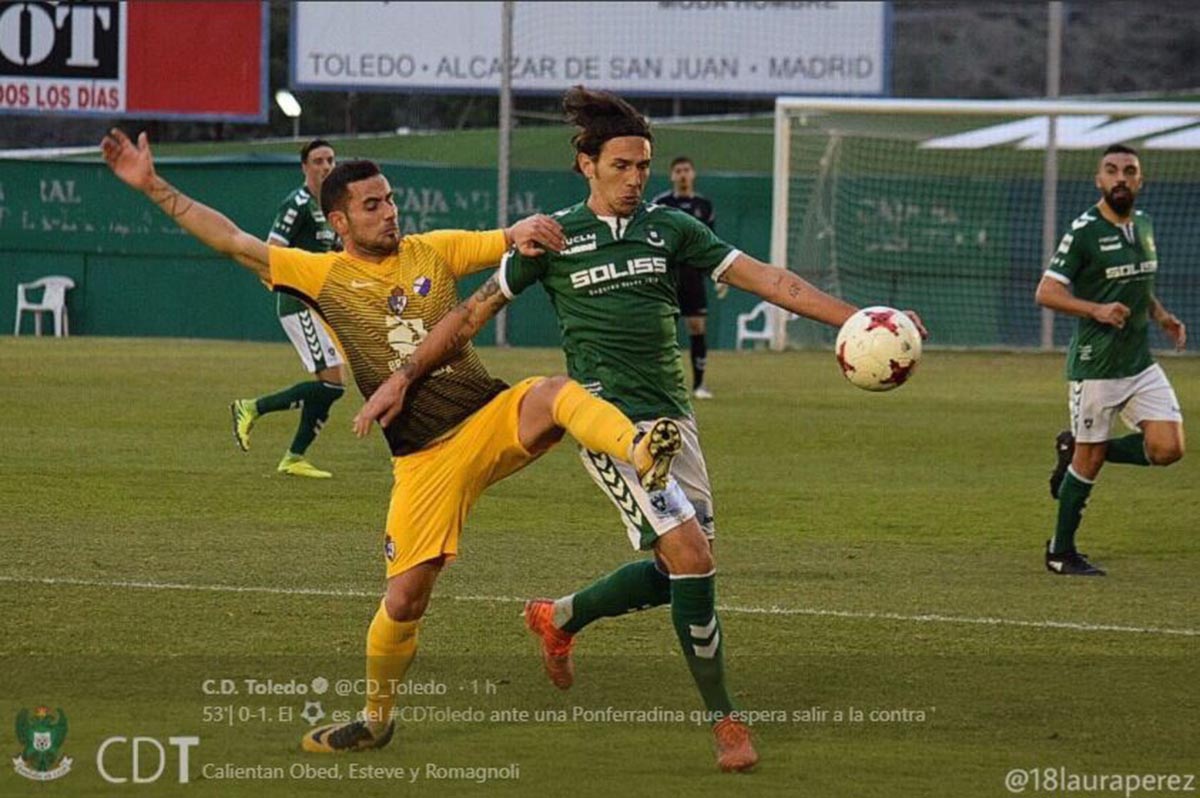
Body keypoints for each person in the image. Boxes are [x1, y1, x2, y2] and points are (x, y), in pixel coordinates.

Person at [356, 86, 927, 772]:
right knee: (692, 558)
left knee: (676, 569)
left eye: (642, 167)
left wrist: (863, 322)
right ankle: (726, 724)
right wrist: (403, 375)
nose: (634, 179)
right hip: (610, 425)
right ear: (587, 164)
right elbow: (470, 315)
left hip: (674, 421)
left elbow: (771, 280)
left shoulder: (672, 230)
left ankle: (561, 616)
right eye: (621, 165)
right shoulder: (553, 238)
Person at [100, 129, 684, 754]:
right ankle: (376, 721)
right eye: (372, 205)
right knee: (405, 598)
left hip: (488, 419)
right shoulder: (320, 275)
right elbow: (232, 241)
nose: (389, 212)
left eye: (390, 200)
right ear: (339, 220)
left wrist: (530, 227)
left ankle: (641, 447)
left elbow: (509, 238)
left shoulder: (432, 251)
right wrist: (154, 187)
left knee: (554, 392)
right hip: (424, 460)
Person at [1036, 143, 1186, 577]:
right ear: (1098, 180)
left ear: (1141, 181)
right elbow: (1046, 292)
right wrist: (1096, 310)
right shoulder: (1083, 230)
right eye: (1111, 170)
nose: (1120, 177)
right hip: (1096, 365)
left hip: (1139, 362)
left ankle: (1077, 447)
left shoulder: (1143, 224)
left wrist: (1162, 317)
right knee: (1090, 462)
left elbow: (1139, 284)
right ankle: (1060, 552)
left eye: (1129, 171)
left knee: (1168, 449)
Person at [230, 139, 346, 479]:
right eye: (318, 161)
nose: (326, 166)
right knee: (333, 386)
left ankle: (294, 457)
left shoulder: (332, 205)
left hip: (320, 303)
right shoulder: (297, 204)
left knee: (333, 385)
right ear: (304, 167)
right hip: (298, 302)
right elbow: (271, 250)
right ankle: (251, 408)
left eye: (330, 160)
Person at [651, 156, 724, 399]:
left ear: (693, 174)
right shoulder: (660, 204)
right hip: (667, 274)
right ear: (672, 175)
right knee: (662, 330)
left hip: (693, 274)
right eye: (678, 171)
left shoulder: (705, 205)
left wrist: (718, 276)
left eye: (686, 170)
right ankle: (660, 385)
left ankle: (699, 385)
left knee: (696, 327)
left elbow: (711, 245)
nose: (682, 175)